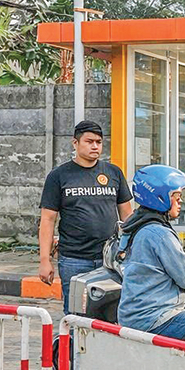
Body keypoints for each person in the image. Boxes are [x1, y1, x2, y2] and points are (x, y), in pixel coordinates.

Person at [39, 121, 133, 314]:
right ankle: (72, 345)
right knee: (75, 313)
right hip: (74, 259)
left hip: (110, 259)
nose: (95, 146)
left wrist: (131, 250)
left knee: (111, 313)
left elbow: (127, 215)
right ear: (75, 143)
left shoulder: (113, 173)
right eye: (89, 141)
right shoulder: (58, 176)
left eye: (98, 142)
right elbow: (48, 219)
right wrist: (44, 260)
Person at [117, 166, 185, 340]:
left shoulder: (135, 225)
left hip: (134, 315)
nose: (180, 201)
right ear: (160, 197)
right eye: (176, 196)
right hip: (155, 317)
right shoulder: (159, 234)